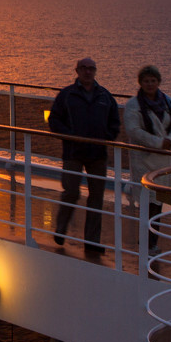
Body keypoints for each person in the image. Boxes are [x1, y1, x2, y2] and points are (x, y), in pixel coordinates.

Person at [47, 57, 120, 254]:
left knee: (96, 198)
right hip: (73, 152)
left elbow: (115, 120)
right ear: (77, 70)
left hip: (98, 154)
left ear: (95, 71)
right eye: (84, 68)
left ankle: (92, 241)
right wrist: (69, 136)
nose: (88, 72)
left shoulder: (105, 96)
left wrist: (107, 137)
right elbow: (54, 119)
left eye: (91, 69)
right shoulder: (67, 95)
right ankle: (61, 228)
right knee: (71, 191)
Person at [123, 64, 171, 255]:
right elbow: (133, 130)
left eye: (153, 81)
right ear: (140, 83)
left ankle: (153, 240)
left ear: (158, 82)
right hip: (144, 160)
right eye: (146, 81)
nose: (150, 84)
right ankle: (146, 241)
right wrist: (158, 142)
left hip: (164, 162)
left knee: (160, 203)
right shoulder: (134, 105)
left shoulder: (168, 102)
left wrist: (170, 141)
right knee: (146, 202)